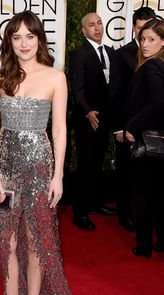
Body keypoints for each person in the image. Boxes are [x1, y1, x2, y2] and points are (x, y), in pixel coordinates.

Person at [0, 10, 155, 295]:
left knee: (36, 245)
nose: (23, 44)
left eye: (29, 36)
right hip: (3, 169)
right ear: (9, 41)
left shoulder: (55, 77)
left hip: (39, 168)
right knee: (7, 246)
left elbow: (60, 132)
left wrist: (59, 175)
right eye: (16, 37)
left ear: (39, 39)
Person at [69, 12, 116, 231]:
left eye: (99, 24)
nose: (97, 28)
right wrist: (88, 111)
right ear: (83, 30)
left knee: (98, 165)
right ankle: (80, 213)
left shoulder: (109, 52)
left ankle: (96, 204)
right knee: (86, 166)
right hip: (86, 121)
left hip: (104, 119)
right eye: (91, 25)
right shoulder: (80, 53)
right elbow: (77, 88)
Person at [113, 7, 156, 232]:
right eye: (140, 28)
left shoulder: (160, 53)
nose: (143, 33)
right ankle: (124, 214)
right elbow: (117, 94)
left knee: (150, 178)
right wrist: (119, 128)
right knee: (125, 173)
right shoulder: (122, 55)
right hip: (128, 125)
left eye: (149, 27)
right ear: (133, 28)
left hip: (154, 126)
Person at [124, 18, 164, 257]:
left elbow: (158, 101)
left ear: (163, 41)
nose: (145, 44)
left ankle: (143, 246)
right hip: (160, 140)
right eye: (142, 39)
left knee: (142, 193)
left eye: (151, 39)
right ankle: (160, 241)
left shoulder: (150, 67)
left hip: (148, 142)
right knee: (160, 194)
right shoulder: (159, 65)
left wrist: (131, 125)